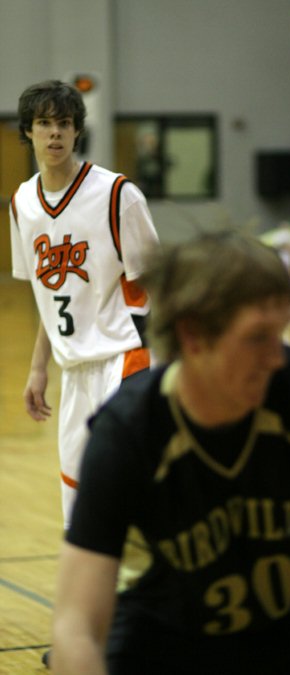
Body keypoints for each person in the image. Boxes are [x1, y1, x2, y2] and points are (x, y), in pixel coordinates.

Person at [50, 230, 290, 674]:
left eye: (281, 333)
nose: (277, 357)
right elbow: (74, 624)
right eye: (258, 337)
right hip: (174, 634)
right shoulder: (128, 432)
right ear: (193, 336)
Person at [9, 80, 159, 529]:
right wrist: (39, 368)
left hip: (124, 356)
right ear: (28, 132)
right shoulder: (23, 204)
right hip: (74, 368)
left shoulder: (117, 195)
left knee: (126, 480)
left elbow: (159, 283)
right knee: (77, 497)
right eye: (44, 123)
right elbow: (46, 295)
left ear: (77, 132)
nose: (54, 133)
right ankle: (98, 591)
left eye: (64, 123)